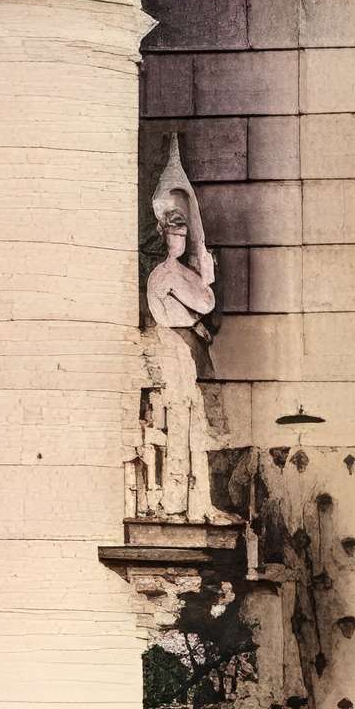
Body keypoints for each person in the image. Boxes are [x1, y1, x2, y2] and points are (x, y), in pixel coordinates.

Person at [134, 140, 224, 522]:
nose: (180, 235)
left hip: (186, 347)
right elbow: (204, 303)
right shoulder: (167, 273)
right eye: (173, 228)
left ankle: (194, 501)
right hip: (178, 348)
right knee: (183, 425)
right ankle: (178, 502)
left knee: (194, 426)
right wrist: (207, 274)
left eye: (183, 228)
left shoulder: (176, 270)